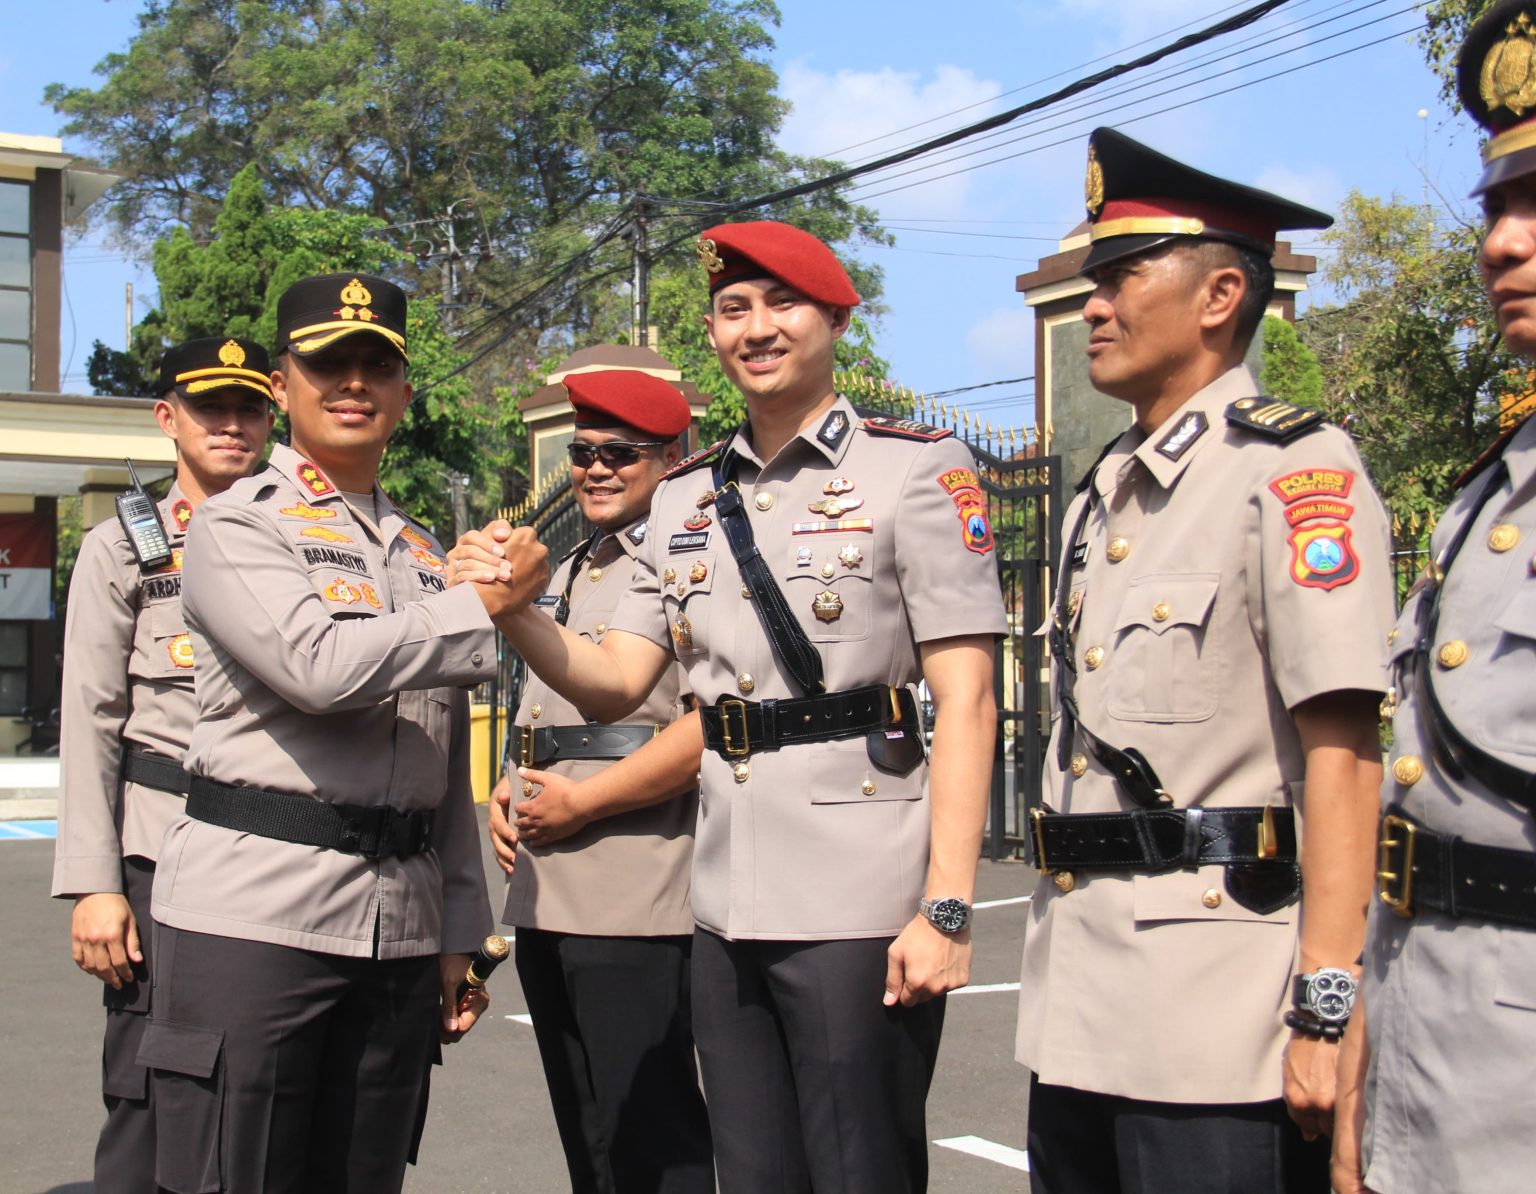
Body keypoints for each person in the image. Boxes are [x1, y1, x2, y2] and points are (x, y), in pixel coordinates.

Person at [453, 220, 1006, 1193]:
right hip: (722, 902)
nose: (756, 328)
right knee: (751, 1173)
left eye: (783, 304)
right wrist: (515, 610)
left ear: (837, 319)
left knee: (859, 1172)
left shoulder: (916, 468)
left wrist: (947, 905)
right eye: (733, 309)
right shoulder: (685, 498)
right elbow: (617, 678)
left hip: (858, 893)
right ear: (711, 331)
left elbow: (967, 697)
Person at [1014, 128, 1396, 1194]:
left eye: (1121, 277)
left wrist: (1327, 1003)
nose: (1094, 305)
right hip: (1079, 1002)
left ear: (1221, 295)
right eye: (1092, 282)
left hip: (1220, 1023)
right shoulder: (1104, 492)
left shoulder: (1295, 472)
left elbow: (1344, 754)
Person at [140, 274, 540, 1194]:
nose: (354, 383)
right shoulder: (237, 523)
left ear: (404, 393)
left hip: (396, 936)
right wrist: (477, 606)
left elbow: (441, 761)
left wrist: (459, 930)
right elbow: (317, 667)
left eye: (377, 365)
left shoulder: (425, 552)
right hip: (255, 923)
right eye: (328, 364)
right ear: (282, 386)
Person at [1332, 5, 1536, 1191]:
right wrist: (1366, 1040)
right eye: (1496, 206)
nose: (1503, 243)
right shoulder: (1487, 497)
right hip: (1432, 1054)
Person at [51, 336, 275, 1194]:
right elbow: (92, 718)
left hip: (277, 857)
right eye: (210, 408)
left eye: (249, 408)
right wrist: (94, 884)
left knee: (257, 1089)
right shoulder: (125, 549)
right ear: (167, 418)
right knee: (149, 1090)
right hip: (162, 848)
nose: (231, 425)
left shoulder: (301, 536)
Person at [484, 367, 713, 1193]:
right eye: (583, 452)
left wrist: (584, 801)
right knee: (589, 1135)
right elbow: (554, 706)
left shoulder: (690, 557)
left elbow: (712, 725)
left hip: (636, 883)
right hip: (548, 881)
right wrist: (510, 780)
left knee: (650, 1134)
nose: (596, 469)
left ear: (672, 459)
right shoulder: (581, 562)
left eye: (622, 453)